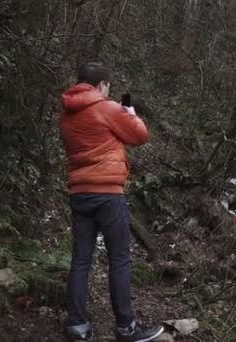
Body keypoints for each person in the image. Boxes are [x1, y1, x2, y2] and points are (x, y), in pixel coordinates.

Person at [59, 62, 164, 342]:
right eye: (108, 86)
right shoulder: (107, 108)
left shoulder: (67, 115)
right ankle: (126, 328)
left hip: (79, 193)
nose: (108, 90)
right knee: (119, 260)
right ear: (101, 85)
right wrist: (130, 113)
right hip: (107, 194)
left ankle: (77, 326)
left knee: (81, 261)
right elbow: (139, 135)